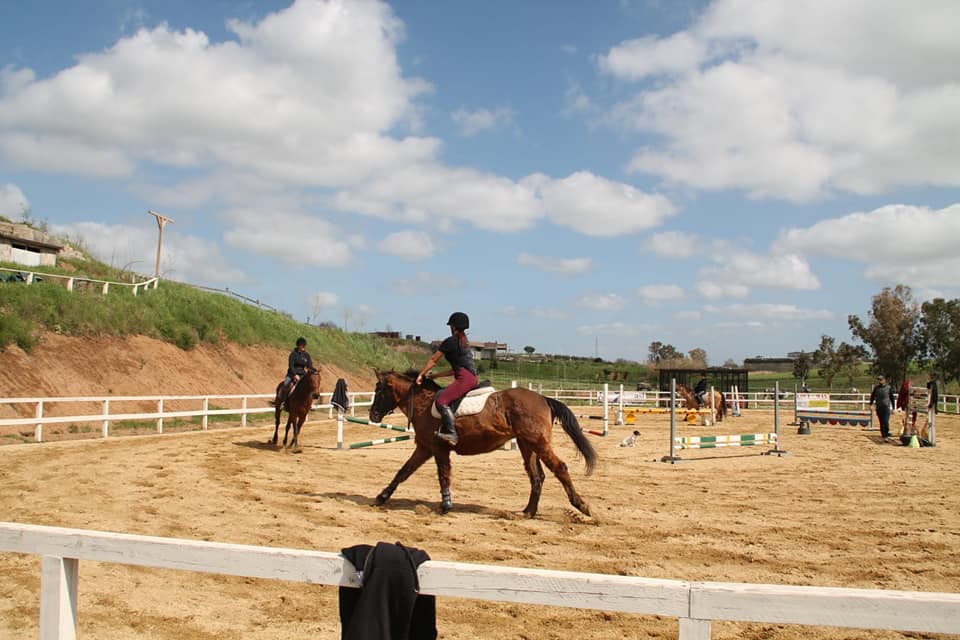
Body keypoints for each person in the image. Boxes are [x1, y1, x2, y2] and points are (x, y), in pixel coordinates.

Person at [416, 312, 477, 446]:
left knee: (441, 400)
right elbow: (455, 370)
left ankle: (452, 433)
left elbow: (433, 360)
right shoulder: (465, 343)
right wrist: (436, 376)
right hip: (470, 378)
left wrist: (421, 374)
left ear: (453, 326)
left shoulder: (450, 342)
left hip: (464, 379)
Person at [280, 337, 313, 409]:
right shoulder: (293, 354)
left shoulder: (306, 355)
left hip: (303, 374)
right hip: (292, 374)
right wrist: (295, 375)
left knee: (310, 385)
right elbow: (291, 366)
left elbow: (309, 366)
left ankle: (309, 404)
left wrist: (314, 370)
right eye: (302, 345)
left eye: (304, 345)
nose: (304, 347)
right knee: (286, 384)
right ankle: (283, 402)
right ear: (299, 346)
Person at [869, 375, 895, 440]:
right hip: (879, 407)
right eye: (879, 380)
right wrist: (871, 404)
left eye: (881, 380)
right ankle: (884, 435)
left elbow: (892, 398)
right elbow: (872, 396)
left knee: (885, 421)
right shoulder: (876, 388)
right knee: (881, 422)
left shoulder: (888, 388)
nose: (880, 381)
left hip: (886, 407)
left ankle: (886, 434)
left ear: (884, 380)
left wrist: (893, 408)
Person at [924, 374, 938, 441]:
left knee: (930, 420)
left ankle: (930, 436)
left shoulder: (933, 384)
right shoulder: (932, 384)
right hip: (931, 401)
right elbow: (928, 388)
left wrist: (931, 404)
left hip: (931, 402)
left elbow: (934, 395)